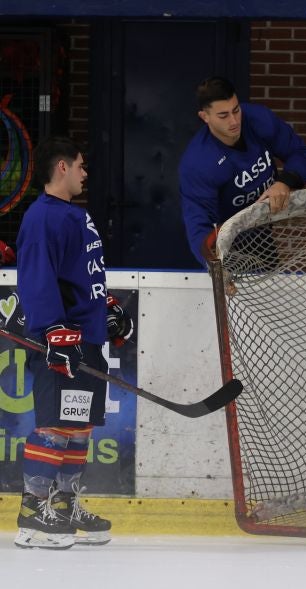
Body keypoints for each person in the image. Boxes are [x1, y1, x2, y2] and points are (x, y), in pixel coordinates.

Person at [13, 136, 134, 549]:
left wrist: (108, 308)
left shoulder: (73, 215)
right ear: (62, 167)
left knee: (78, 428)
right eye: (81, 166)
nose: (85, 173)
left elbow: (82, 274)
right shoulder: (42, 217)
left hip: (88, 338)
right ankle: (32, 516)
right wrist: (52, 331)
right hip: (64, 340)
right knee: (53, 428)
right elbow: (36, 279)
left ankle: (63, 506)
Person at [178, 76, 306, 266]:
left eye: (236, 110)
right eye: (223, 115)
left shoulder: (259, 119)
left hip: (261, 236)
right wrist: (217, 268)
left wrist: (284, 182)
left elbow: (303, 155)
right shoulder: (198, 163)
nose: (234, 120)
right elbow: (199, 225)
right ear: (205, 117)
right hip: (227, 244)